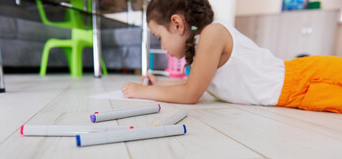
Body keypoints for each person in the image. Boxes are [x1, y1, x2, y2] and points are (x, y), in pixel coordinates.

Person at [121, 0, 342, 113]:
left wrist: (145, 91)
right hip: (296, 95)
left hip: (306, 78)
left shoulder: (212, 34)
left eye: (159, 36)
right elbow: (192, 85)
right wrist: (162, 84)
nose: (161, 45)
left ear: (177, 24)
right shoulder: (202, 46)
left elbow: (190, 94)